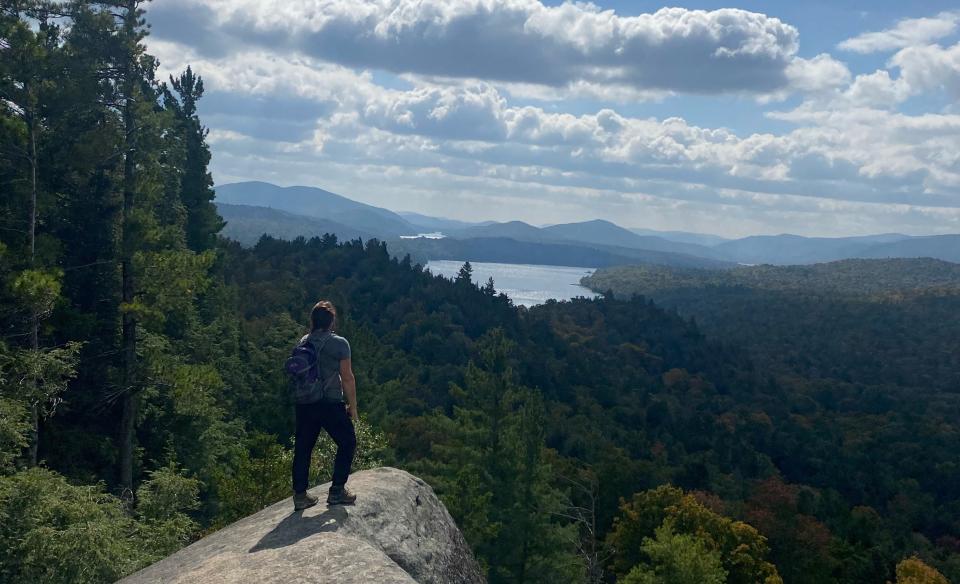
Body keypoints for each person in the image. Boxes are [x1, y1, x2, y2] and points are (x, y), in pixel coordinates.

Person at [291, 300, 358, 510]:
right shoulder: (339, 344)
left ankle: (300, 496)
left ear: (313, 321)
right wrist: (352, 407)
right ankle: (337, 491)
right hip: (329, 403)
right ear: (332, 322)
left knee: (303, 448)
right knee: (347, 442)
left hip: (305, 403)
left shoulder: (304, 341)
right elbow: (347, 377)